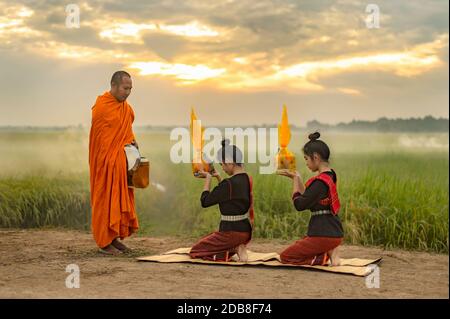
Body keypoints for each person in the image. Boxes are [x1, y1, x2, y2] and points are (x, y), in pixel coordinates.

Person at [89, 71, 139, 255]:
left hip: (120, 162)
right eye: (125, 88)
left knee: (118, 199)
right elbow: (102, 142)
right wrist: (116, 154)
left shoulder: (126, 108)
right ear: (114, 85)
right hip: (105, 163)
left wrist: (133, 143)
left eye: (130, 89)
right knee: (105, 199)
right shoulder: (102, 107)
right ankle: (104, 242)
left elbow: (126, 132)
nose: (128, 92)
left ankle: (114, 237)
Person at [277, 132, 344, 266]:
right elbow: (308, 196)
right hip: (333, 232)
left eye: (306, 159)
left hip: (323, 235)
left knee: (286, 257)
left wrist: (295, 180)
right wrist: (297, 178)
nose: (306, 163)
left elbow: (300, 204)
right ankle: (330, 250)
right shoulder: (330, 176)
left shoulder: (319, 182)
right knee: (299, 245)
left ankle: (323, 256)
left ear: (316, 157)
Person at [189, 139, 254, 262]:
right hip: (245, 231)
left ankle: (234, 248)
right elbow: (229, 196)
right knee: (209, 238)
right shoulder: (246, 179)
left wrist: (208, 178)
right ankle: (237, 246)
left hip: (231, 234)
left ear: (230, 162)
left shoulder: (228, 184)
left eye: (222, 164)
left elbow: (205, 201)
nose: (222, 168)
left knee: (196, 251)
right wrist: (219, 177)